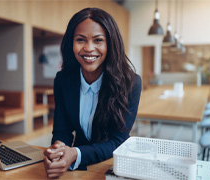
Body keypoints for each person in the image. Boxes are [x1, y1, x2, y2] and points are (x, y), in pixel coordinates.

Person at [43, 7, 141, 178]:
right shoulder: (63, 80)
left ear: (110, 44)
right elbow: (62, 130)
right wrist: (58, 152)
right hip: (77, 167)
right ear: (71, 43)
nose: (88, 48)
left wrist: (74, 154)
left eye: (98, 40)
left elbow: (118, 141)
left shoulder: (130, 83)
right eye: (81, 40)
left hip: (110, 165)